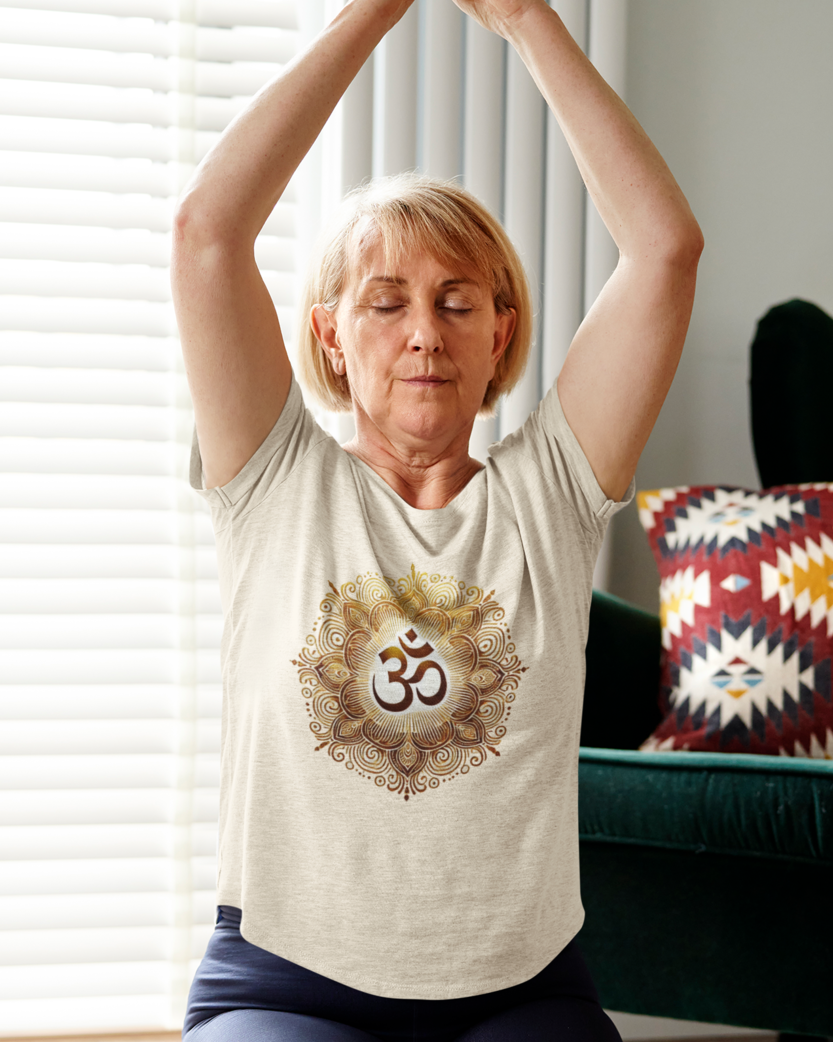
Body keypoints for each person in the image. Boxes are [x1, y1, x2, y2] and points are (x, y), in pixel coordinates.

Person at [172, 1, 703, 1039]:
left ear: (499, 331)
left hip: (518, 989)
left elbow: (664, 250)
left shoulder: (549, 491)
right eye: (386, 302)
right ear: (329, 335)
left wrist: (525, 18)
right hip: (282, 980)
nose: (424, 333)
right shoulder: (274, 477)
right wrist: (375, 10)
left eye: (457, 302)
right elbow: (207, 233)